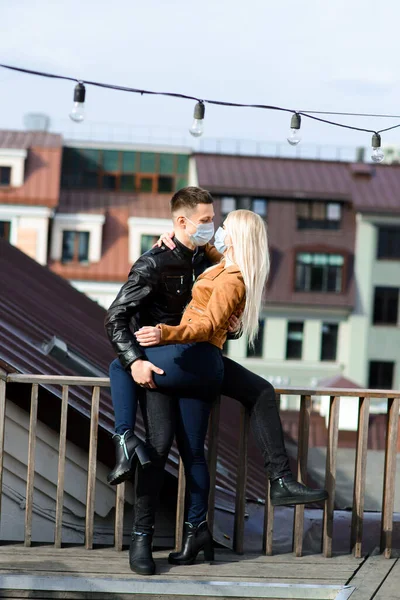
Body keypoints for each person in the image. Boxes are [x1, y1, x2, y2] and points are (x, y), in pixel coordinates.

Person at [105, 187, 328, 574]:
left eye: (217, 223)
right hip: (171, 362)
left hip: (183, 357)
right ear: (182, 222)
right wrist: (138, 358)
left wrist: (162, 336)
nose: (214, 229)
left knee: (183, 445)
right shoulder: (169, 261)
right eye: (208, 221)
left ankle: (125, 440)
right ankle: (161, 537)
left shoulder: (222, 270)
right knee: (165, 448)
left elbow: (211, 320)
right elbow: (117, 318)